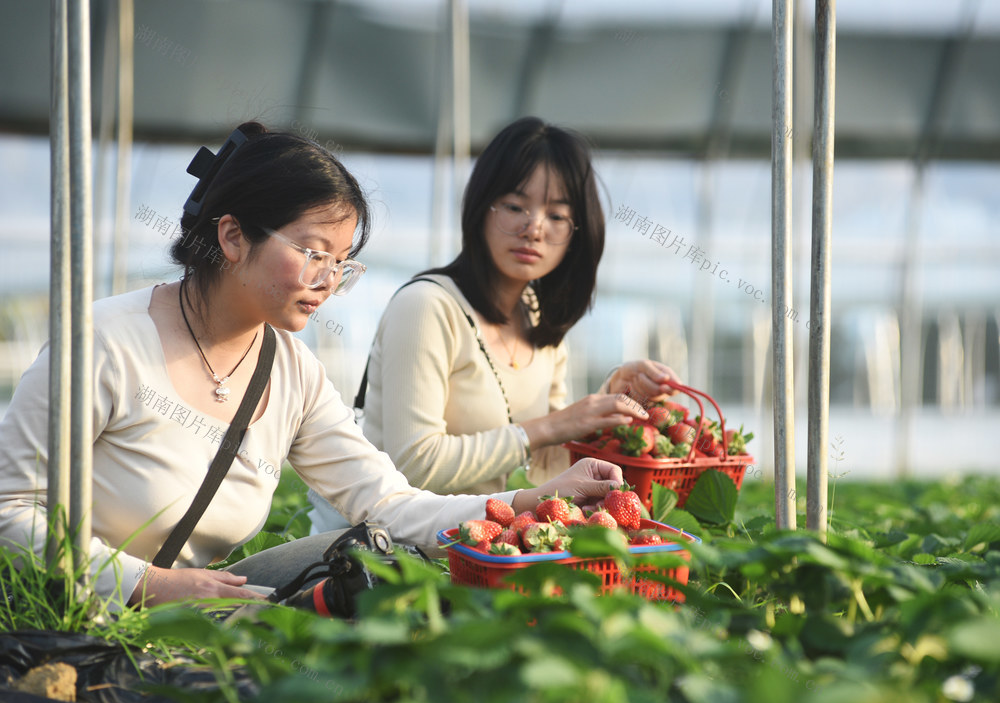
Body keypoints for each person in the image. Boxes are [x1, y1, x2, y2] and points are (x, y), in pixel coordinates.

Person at [0, 122, 624, 608]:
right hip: (66, 614)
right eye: (313, 253)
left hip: (194, 611)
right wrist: (148, 583)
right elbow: (10, 510)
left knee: (377, 559)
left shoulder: (292, 371)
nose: (328, 281)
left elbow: (389, 504)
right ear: (233, 237)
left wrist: (538, 498)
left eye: (342, 264)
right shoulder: (103, 343)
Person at [308, 116, 677, 533]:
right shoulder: (427, 307)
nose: (533, 228)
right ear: (482, 207)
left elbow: (544, 466)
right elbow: (414, 463)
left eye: (557, 215)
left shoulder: (538, 320)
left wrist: (609, 404)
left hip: (475, 547)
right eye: (516, 207)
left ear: (577, 233)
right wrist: (554, 424)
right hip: (384, 550)